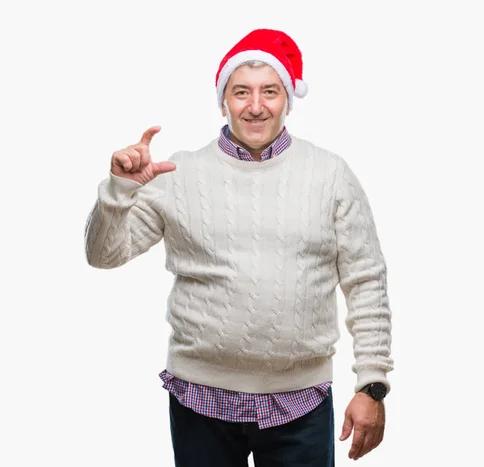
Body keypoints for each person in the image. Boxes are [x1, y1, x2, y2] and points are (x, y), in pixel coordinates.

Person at [85, 28, 393, 466]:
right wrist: (118, 192)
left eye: (269, 91)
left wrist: (371, 384)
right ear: (223, 100)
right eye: (241, 92)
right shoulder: (178, 173)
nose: (255, 106)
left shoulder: (330, 175)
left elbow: (366, 281)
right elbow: (102, 256)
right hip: (199, 401)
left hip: (301, 402)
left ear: (287, 97)